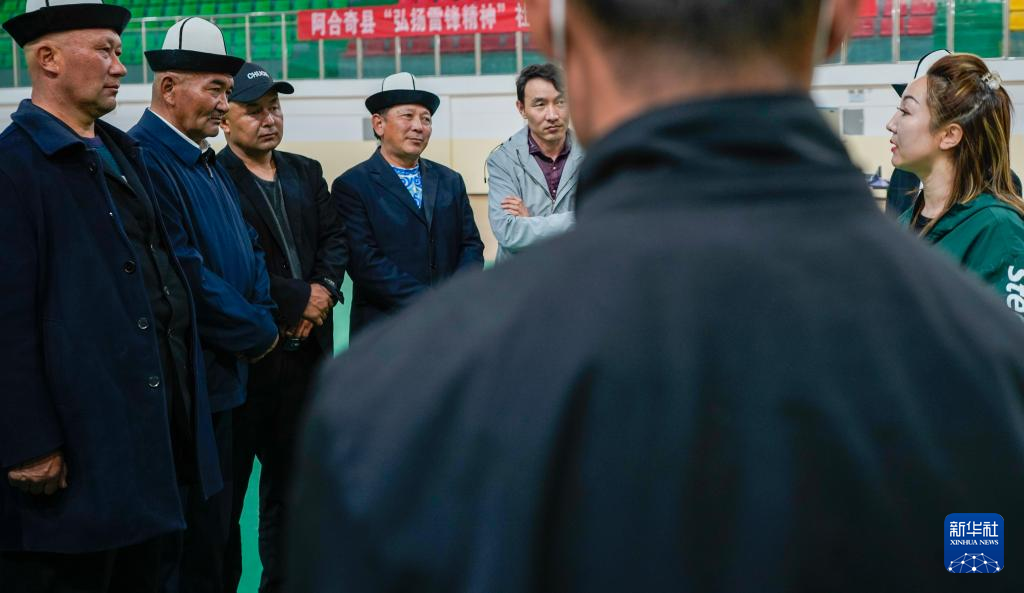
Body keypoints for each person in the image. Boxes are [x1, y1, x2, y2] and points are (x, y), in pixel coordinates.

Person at [290, 0, 1024, 590]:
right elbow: (978, 560)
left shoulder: (388, 406)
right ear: (841, 20)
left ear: (547, 23)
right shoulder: (991, 365)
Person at [0, 1, 221, 591]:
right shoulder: (13, 169)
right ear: (49, 58)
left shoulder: (124, 154)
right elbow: (6, 322)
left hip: (148, 442)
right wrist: (28, 442)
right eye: (104, 50)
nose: (120, 67)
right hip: (74, 457)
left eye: (118, 52)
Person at [127, 17, 279, 593]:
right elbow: (184, 274)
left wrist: (260, 315)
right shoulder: (145, 159)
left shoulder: (204, 159)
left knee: (220, 540)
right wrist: (259, 331)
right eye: (216, 90)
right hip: (193, 388)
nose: (224, 104)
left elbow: (249, 248)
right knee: (193, 549)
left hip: (227, 378)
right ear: (169, 88)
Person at [217, 62, 347, 593]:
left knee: (292, 493)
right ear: (225, 119)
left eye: (274, 108)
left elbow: (334, 240)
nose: (269, 119)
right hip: (250, 361)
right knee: (226, 500)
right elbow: (230, 266)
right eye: (254, 110)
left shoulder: (306, 171)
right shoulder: (215, 179)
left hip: (307, 358)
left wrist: (323, 293)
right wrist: (297, 300)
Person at [333, 72, 484, 337]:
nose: (419, 126)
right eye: (407, 116)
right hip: (384, 328)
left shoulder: (450, 180)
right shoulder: (353, 185)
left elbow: (471, 245)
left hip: (450, 325)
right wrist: (431, 304)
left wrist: (455, 296)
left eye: (426, 119)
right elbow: (365, 263)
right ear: (379, 124)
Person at [888, 53, 1024, 319]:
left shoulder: (999, 232)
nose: (891, 124)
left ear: (949, 135)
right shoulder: (906, 223)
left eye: (905, 111)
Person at [487, 63, 583, 262]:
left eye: (561, 102)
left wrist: (530, 222)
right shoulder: (503, 160)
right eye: (540, 104)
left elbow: (606, 222)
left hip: (575, 272)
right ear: (521, 108)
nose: (552, 115)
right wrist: (580, 218)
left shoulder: (592, 152)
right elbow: (509, 233)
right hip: (521, 276)